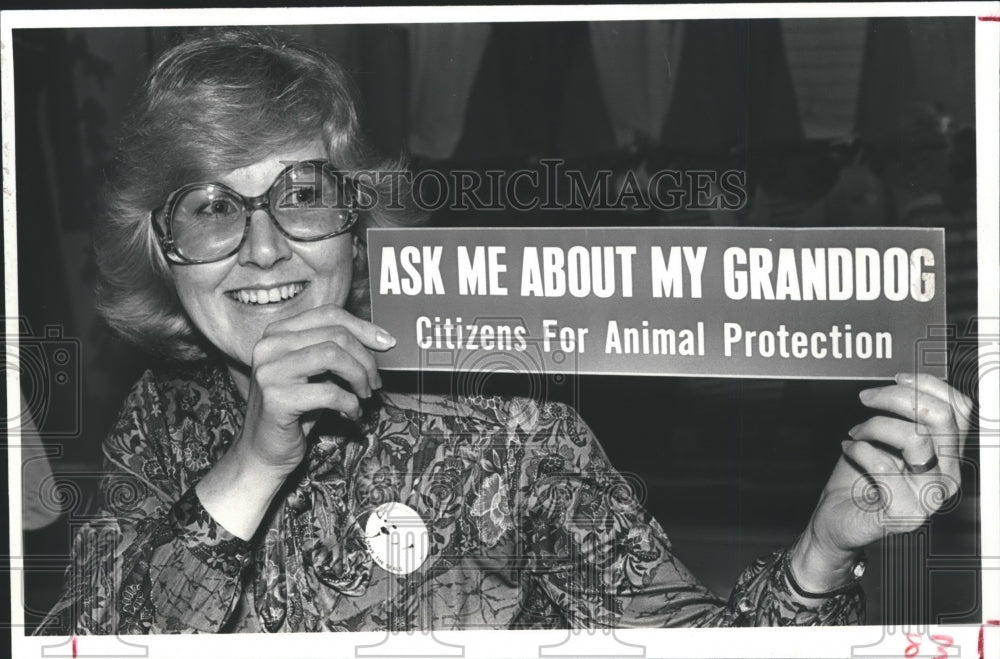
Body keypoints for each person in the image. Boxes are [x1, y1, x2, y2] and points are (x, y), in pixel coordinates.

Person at [35, 27, 971, 634]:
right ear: (162, 250)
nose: (265, 248)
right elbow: (90, 634)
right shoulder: (155, 428)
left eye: (303, 195)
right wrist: (251, 462)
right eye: (211, 208)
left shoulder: (511, 431)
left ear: (359, 228)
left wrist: (824, 549)